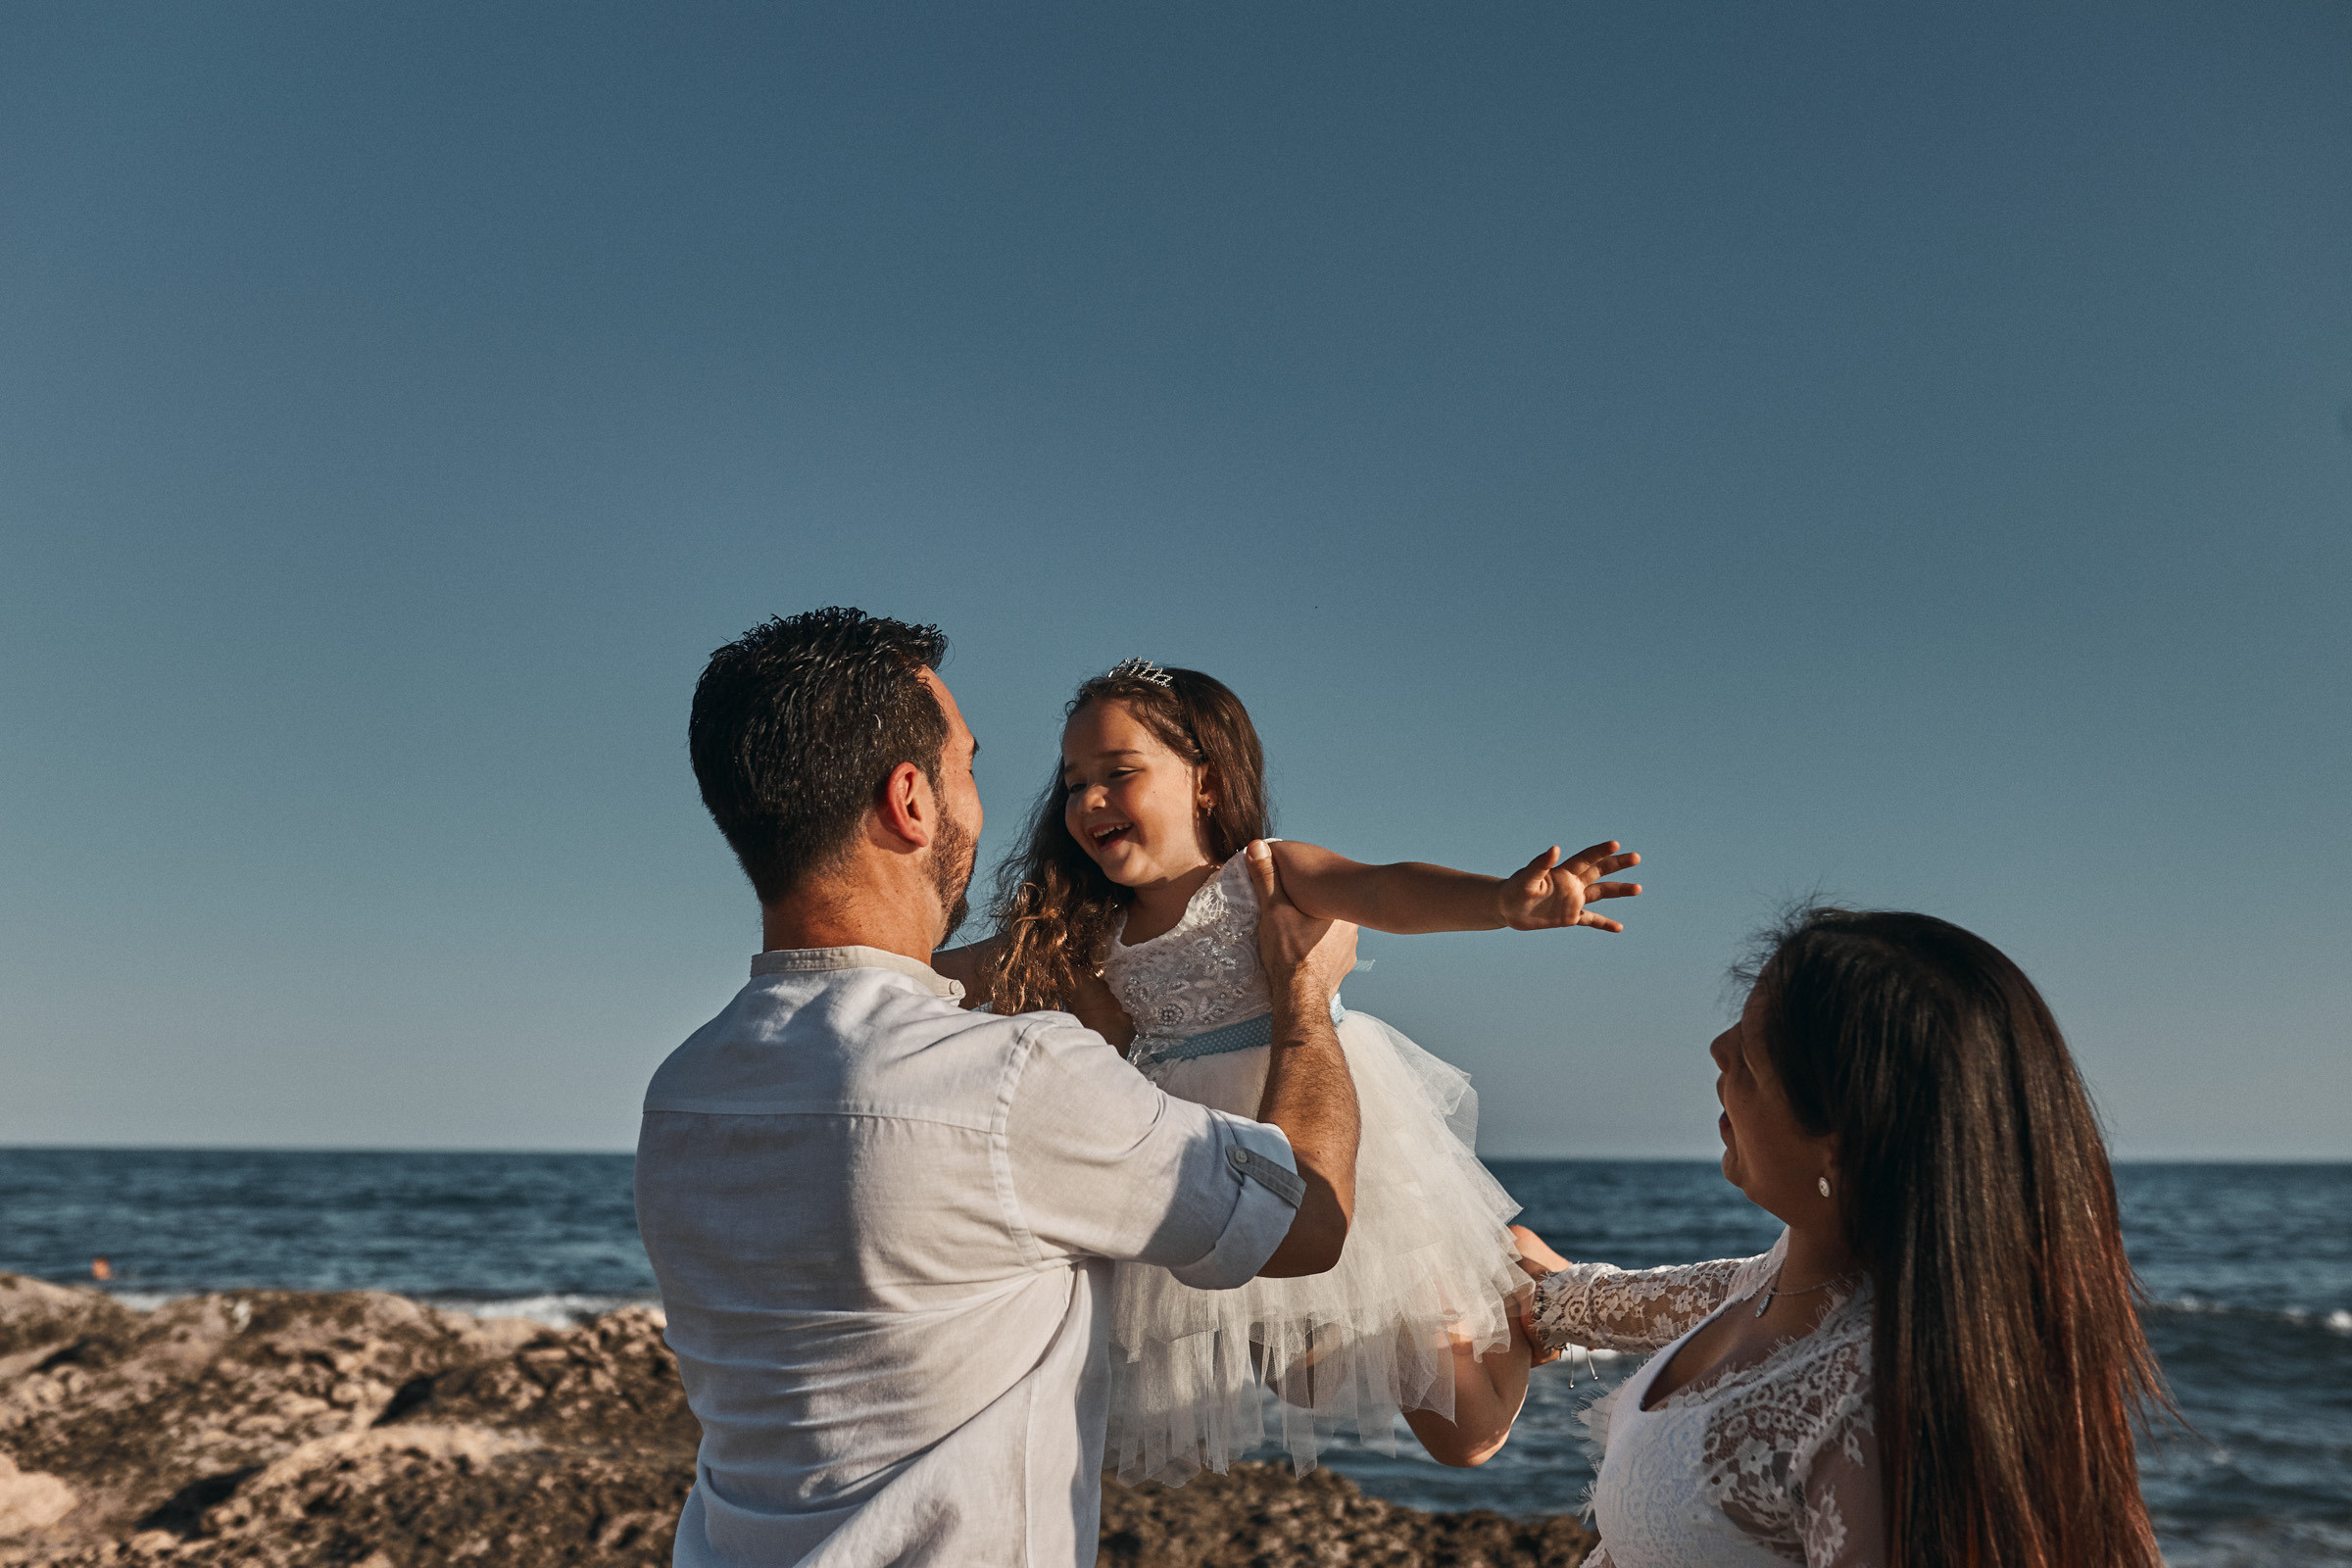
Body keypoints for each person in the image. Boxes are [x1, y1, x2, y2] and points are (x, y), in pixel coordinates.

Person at [634, 610, 1366, 1568]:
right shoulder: (1011, 1079)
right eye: (967, 767)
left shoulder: (683, 1092)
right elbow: (1306, 1219)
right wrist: (1303, 995)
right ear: (911, 800)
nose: (981, 804)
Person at [935, 660, 1642, 1481]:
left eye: (1117, 774)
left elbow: (1386, 891)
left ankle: (1513, 1262)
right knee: (1303, 1384)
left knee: (1467, 1437)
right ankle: (1501, 1276)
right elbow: (971, 969)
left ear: (1205, 780)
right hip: (1219, 1162)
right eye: (1073, 783)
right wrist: (859, 964)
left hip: (1329, 1144)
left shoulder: (1264, 875)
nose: (1088, 801)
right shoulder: (1088, 928)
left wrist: (1502, 904)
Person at [1512, 907, 2168, 1568]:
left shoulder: (1872, 1412)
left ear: (1842, 1147)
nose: (1719, 1048)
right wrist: (1543, 1296)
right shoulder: (1791, 1281)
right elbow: (1669, 1301)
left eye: (1753, 1056)